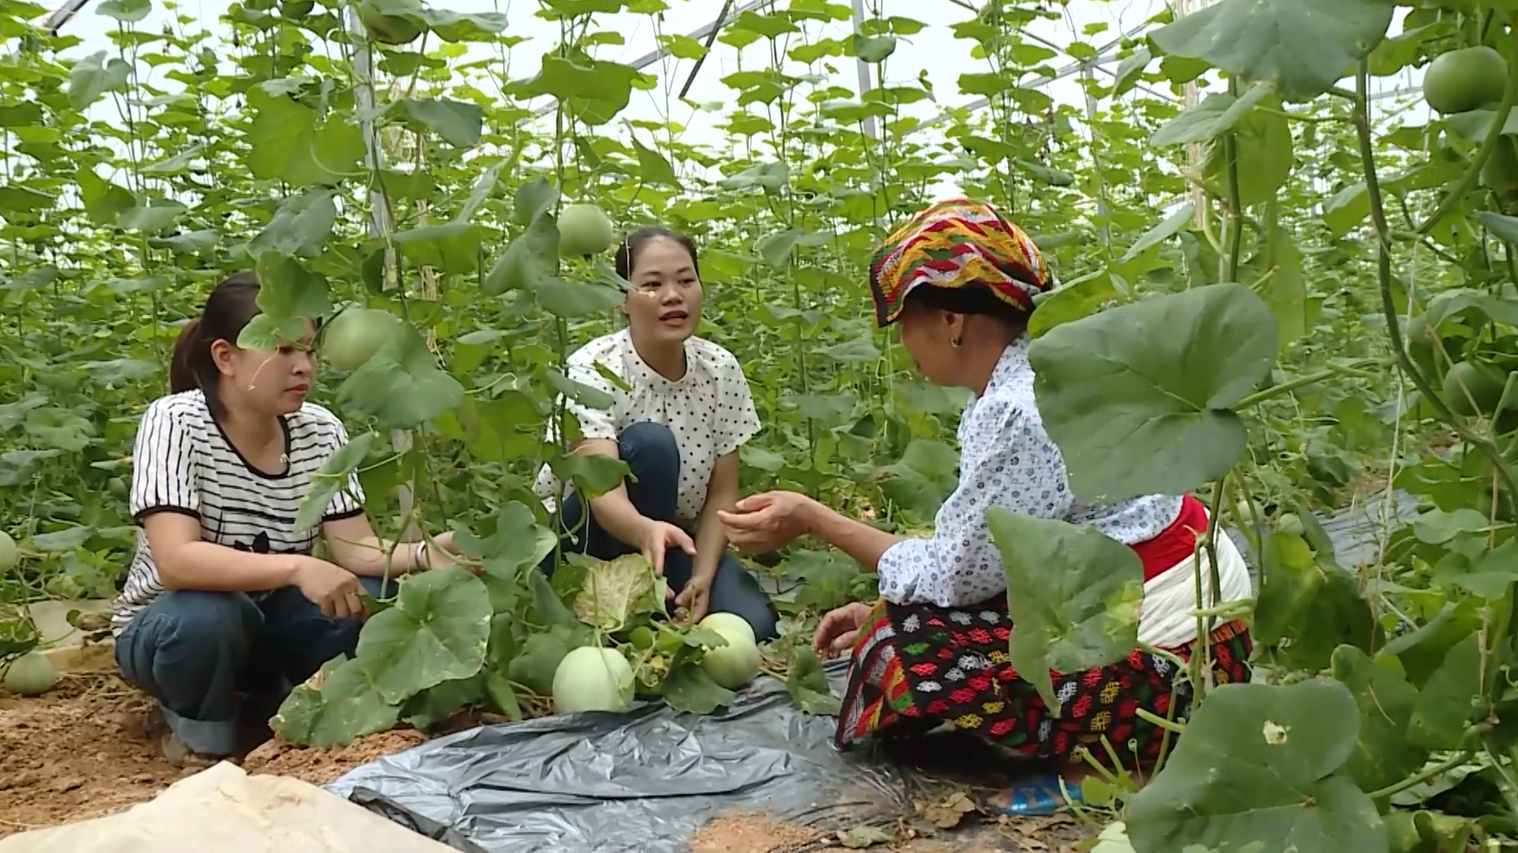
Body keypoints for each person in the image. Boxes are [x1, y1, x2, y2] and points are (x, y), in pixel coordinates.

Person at [718, 199, 1255, 815]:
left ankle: (1109, 760)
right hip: (1207, 631)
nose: (902, 343)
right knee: (895, 621)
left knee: (901, 644)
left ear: (950, 320)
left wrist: (816, 520)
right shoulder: (1043, 376)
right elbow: (1007, 560)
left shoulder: (1013, 412)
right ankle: (1123, 738)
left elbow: (958, 579)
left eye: (903, 322)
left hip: (1163, 661)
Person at [111, 272, 464, 766]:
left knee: (370, 599)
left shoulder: (319, 429)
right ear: (225, 357)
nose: (303, 367)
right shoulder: (175, 421)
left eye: (309, 351)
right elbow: (176, 561)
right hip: (172, 627)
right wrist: (297, 567)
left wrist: (430, 554)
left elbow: (355, 548)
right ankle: (200, 730)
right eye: (282, 351)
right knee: (207, 616)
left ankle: (272, 697)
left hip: (268, 622)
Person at [532, 226, 779, 642]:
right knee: (651, 445)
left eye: (686, 280)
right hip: (584, 538)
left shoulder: (719, 369)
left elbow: (722, 494)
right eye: (652, 284)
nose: (672, 295)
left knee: (754, 626)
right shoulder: (593, 366)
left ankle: (662, 598)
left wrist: (701, 575)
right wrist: (644, 532)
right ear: (623, 299)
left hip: (671, 536)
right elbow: (601, 489)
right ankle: (621, 603)